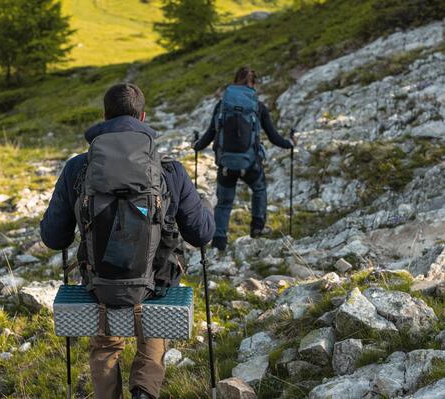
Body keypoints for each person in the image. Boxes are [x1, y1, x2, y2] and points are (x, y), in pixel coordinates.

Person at [40, 83, 215, 399]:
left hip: (99, 281)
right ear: (143, 117)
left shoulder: (78, 168)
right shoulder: (168, 170)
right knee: (154, 327)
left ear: (104, 117)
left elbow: (54, 238)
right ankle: (144, 392)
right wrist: (207, 208)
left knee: (104, 345)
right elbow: (201, 234)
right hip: (156, 283)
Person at [193, 66, 297, 251]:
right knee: (259, 190)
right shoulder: (257, 106)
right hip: (250, 164)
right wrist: (290, 143)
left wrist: (196, 146)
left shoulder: (222, 105)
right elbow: (274, 137)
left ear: (235, 80)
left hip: (226, 163)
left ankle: (219, 241)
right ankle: (257, 228)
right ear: (253, 83)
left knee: (224, 203)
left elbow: (210, 134)